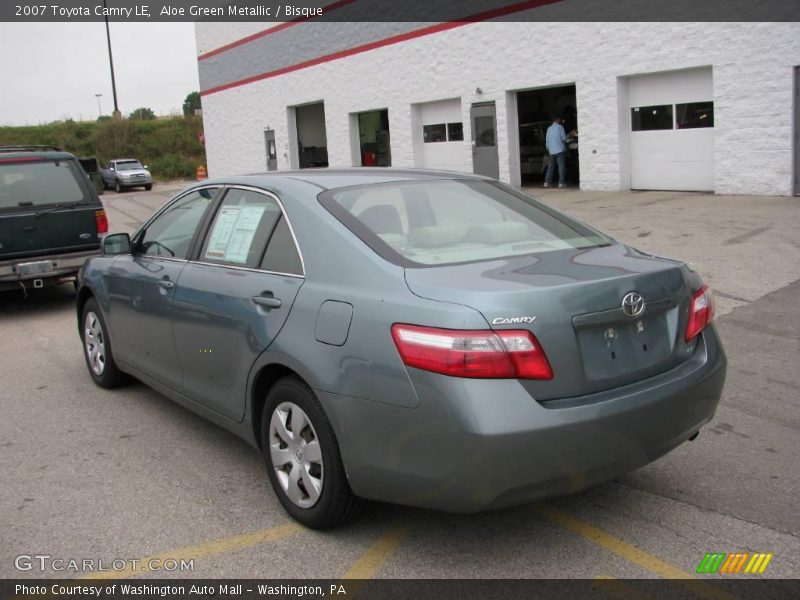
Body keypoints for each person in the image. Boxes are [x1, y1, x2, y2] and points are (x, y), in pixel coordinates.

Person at [544, 116, 568, 188]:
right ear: (558, 119)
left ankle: (547, 183)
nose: (561, 121)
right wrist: (568, 140)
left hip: (551, 151)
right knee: (561, 167)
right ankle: (561, 183)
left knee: (550, 167)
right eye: (560, 120)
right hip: (560, 150)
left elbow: (547, 141)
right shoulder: (560, 127)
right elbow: (564, 138)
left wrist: (549, 149)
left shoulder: (549, 129)